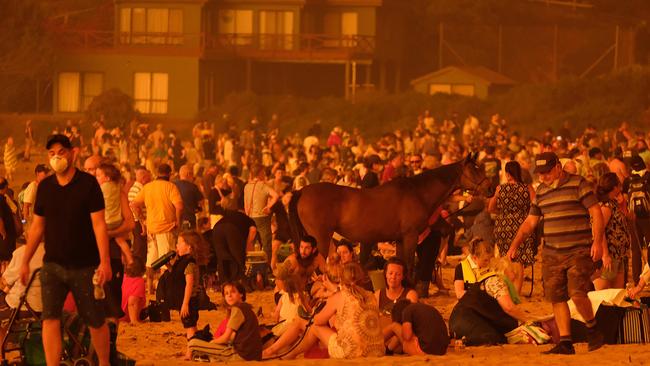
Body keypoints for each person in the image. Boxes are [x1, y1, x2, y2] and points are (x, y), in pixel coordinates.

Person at [18, 134, 112, 366]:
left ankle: (104, 362)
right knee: (50, 319)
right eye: (51, 153)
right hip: (53, 265)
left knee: (95, 320)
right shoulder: (46, 188)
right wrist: (25, 260)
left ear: (73, 153)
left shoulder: (88, 185)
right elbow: (37, 227)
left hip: (85, 266)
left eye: (61, 152)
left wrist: (105, 262)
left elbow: (99, 225)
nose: (56, 157)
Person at [507, 152, 606, 354]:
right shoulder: (541, 192)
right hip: (552, 253)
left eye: (547, 172)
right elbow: (530, 222)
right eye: (540, 173)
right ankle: (566, 342)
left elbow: (595, 212)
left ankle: (593, 328)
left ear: (558, 167)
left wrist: (597, 242)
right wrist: (514, 245)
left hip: (578, 249)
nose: (543, 177)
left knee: (577, 293)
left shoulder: (579, 184)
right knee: (557, 297)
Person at [283, 262, 385, 359]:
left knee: (315, 327)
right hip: (377, 350)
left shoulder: (340, 296)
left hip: (351, 352)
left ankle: (291, 354)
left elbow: (317, 321)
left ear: (342, 279)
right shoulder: (371, 295)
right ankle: (289, 354)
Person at [450, 239, 533, 346]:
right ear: (475, 258)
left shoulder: (491, 276)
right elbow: (509, 307)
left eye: (491, 259)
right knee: (492, 337)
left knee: (498, 335)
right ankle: (460, 342)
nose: (489, 263)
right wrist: (529, 320)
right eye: (486, 260)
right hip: (465, 320)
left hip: (460, 319)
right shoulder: (493, 280)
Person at [130, 163, 183, 293]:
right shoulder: (171, 187)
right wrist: (178, 222)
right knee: (167, 259)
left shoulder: (148, 187)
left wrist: (142, 220)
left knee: (151, 260)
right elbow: (180, 207)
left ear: (156, 173)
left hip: (151, 229)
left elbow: (133, 204)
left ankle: (149, 288)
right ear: (169, 174)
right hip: (167, 227)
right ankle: (166, 288)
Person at [489, 160, 536, 293]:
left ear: (508, 174)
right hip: (522, 225)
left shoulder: (500, 189)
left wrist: (503, 212)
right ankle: (516, 292)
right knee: (518, 259)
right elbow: (536, 205)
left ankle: (508, 290)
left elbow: (490, 208)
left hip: (503, 226)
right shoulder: (527, 188)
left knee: (506, 257)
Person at [188, 282, 262, 361]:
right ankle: (211, 357)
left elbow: (226, 338)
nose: (229, 295)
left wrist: (211, 343)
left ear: (241, 294)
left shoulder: (238, 309)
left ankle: (210, 357)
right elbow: (232, 337)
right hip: (253, 354)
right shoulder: (246, 307)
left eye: (233, 292)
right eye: (226, 293)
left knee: (192, 343)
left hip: (241, 355)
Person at [594, 173, 630, 290]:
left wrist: (623, 204)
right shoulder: (605, 206)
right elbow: (599, 230)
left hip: (619, 254)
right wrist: (605, 255)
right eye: (619, 184)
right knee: (604, 291)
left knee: (618, 292)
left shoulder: (613, 203)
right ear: (615, 187)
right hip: (610, 254)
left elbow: (627, 217)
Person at [384, 299, 449, 356]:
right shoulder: (426, 308)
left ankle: (376, 343)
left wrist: (400, 329)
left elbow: (407, 336)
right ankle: (388, 350)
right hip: (442, 351)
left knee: (394, 326)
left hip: (425, 351)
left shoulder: (406, 311)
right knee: (400, 332)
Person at [244, 164, 279, 260]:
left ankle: (253, 264)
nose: (264, 174)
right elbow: (275, 195)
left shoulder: (247, 186)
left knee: (253, 242)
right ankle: (267, 266)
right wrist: (269, 206)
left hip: (250, 218)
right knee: (266, 243)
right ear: (260, 173)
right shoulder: (263, 185)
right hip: (262, 217)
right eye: (263, 172)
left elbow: (246, 205)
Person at [174, 165, 204, 230]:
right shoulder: (193, 186)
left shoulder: (173, 185)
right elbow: (201, 202)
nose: (193, 177)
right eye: (192, 174)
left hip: (174, 220)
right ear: (188, 174)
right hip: (189, 219)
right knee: (190, 239)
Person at [22, 164, 49, 230]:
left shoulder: (42, 187)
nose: (47, 174)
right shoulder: (33, 187)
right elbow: (26, 206)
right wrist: (26, 224)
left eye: (47, 172)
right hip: (33, 223)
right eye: (44, 172)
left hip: (41, 222)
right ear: (37, 173)